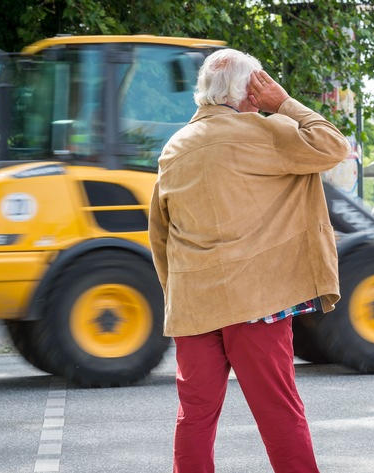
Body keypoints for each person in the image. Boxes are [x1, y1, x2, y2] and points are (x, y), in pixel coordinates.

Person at [148, 48, 350, 473]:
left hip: (193, 305)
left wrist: (178, 297)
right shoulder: (268, 133)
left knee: (195, 419)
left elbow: (160, 235)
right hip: (255, 302)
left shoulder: (174, 148)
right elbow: (333, 146)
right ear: (250, 92)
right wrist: (284, 104)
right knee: (279, 414)